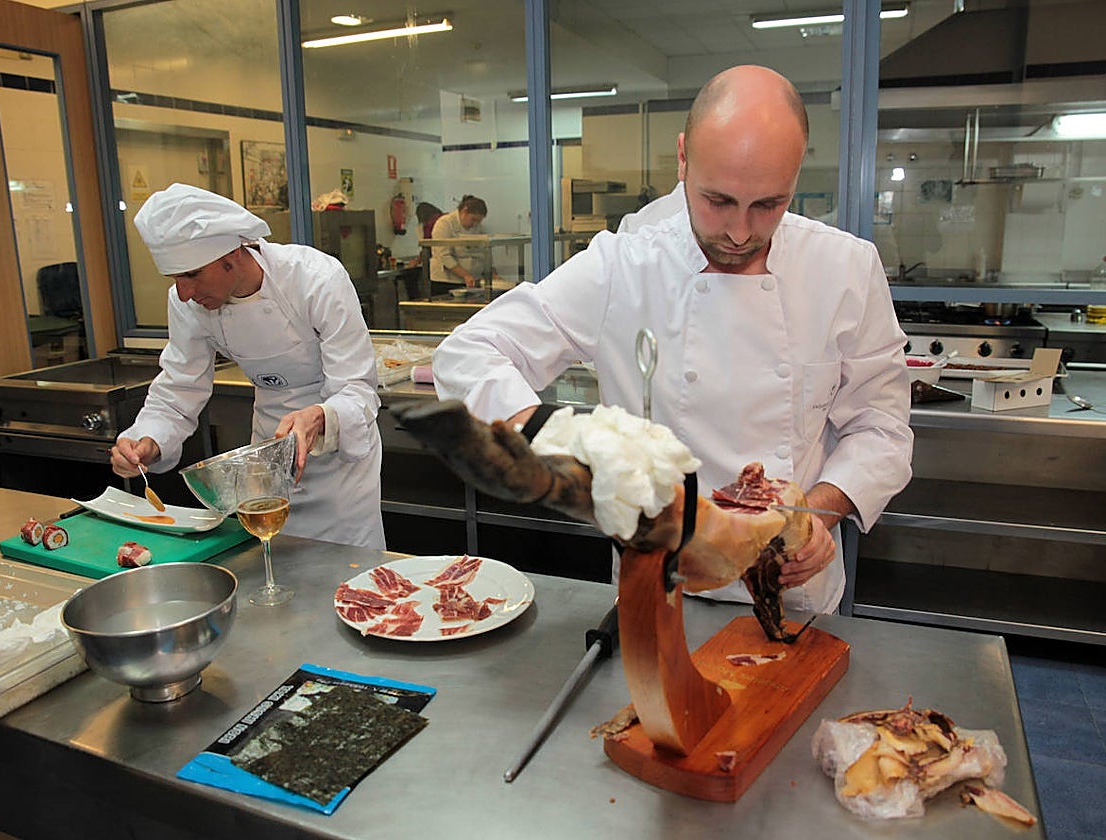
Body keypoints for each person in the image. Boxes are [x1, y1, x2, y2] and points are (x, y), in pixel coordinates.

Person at [432, 65, 913, 614]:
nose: (739, 232)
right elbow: (468, 352)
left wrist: (817, 516)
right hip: (658, 584)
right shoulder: (624, 264)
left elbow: (881, 427)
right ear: (683, 158)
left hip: (793, 592)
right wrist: (552, 437)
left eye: (768, 205)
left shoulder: (845, 268)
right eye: (718, 200)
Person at [110, 183, 386, 550]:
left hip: (340, 470)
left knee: (348, 573)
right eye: (175, 279)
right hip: (266, 462)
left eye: (193, 274)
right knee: (275, 566)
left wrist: (319, 417)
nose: (185, 292)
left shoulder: (314, 278)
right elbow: (179, 387)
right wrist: (149, 439)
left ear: (233, 254)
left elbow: (358, 389)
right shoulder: (188, 303)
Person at [428, 195, 501, 289]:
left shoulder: (478, 228)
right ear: (464, 211)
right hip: (446, 281)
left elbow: (485, 253)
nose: (475, 224)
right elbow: (444, 256)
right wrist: (465, 275)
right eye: (473, 219)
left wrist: (493, 273)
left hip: (472, 280)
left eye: (478, 221)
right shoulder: (444, 224)